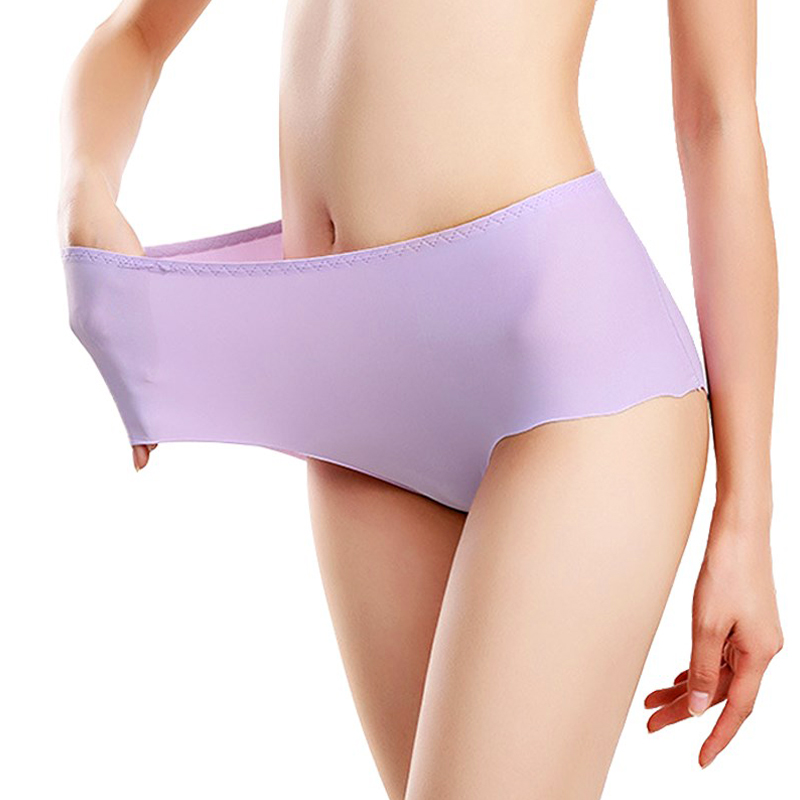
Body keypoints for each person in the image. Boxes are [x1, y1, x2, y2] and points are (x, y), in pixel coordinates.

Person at [57, 1, 784, 797]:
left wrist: (745, 521)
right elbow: (134, 34)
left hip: (568, 364)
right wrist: (83, 186)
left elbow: (717, 118)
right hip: (349, 382)